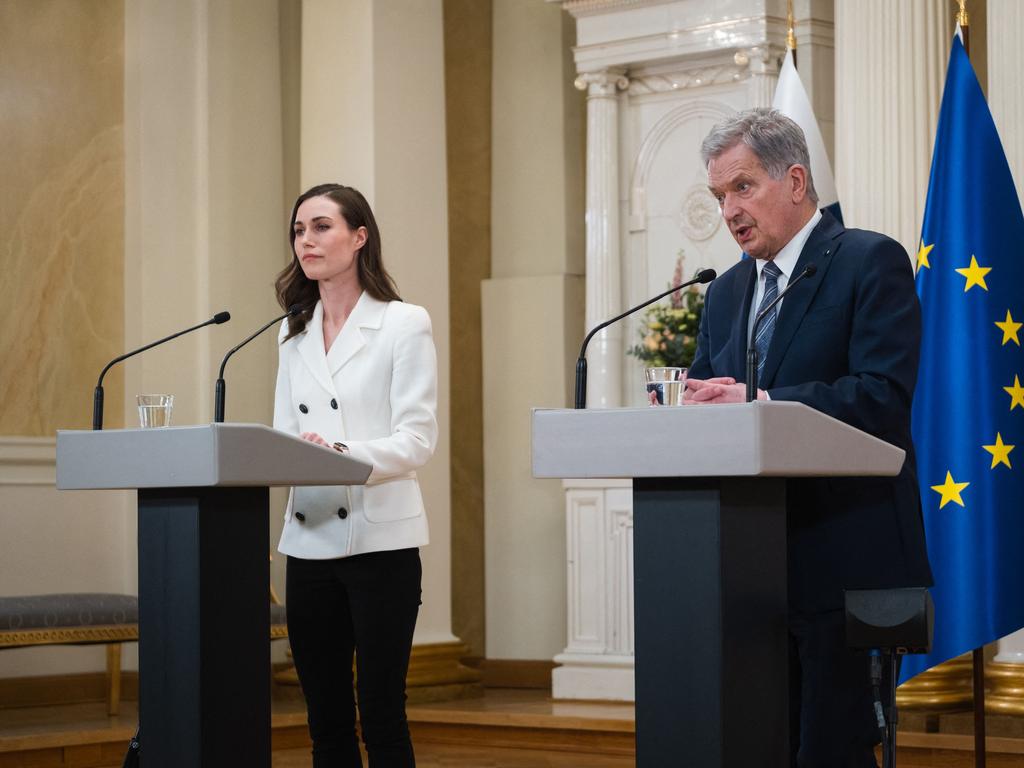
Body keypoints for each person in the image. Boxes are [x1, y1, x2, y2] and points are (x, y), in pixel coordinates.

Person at [686, 108, 933, 767]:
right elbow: (713, 405)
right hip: (749, 565)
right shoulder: (725, 293)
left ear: (795, 181)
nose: (729, 211)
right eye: (719, 197)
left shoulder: (867, 261)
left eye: (742, 188)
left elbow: (882, 396)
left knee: (833, 751)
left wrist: (764, 402)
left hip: (847, 556)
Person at [273, 183, 437, 767]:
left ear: (359, 236)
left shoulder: (402, 323)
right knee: (325, 723)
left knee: (383, 715)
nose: (306, 241)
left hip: (381, 543)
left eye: (321, 226)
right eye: (298, 230)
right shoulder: (291, 335)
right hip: (309, 541)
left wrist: (337, 450)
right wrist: (295, 453)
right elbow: (282, 439)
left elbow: (417, 440)